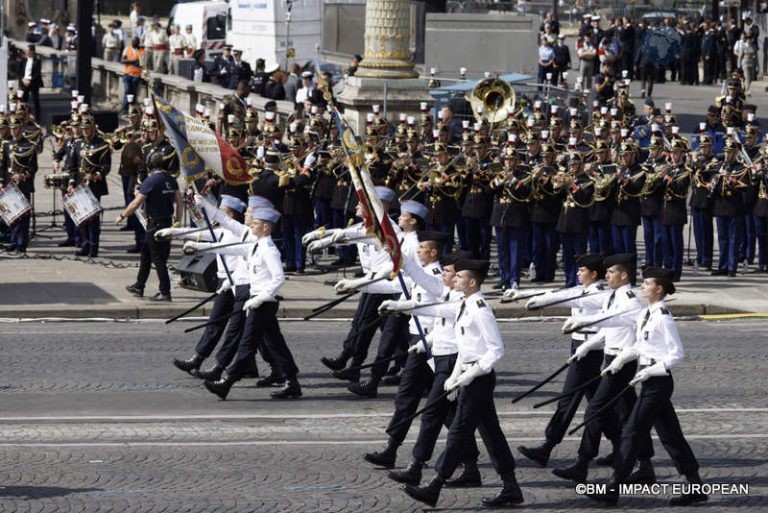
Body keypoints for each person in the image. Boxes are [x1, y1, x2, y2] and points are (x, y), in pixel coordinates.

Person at [401, 259, 525, 509]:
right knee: (491, 433)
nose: (454, 280)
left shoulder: (480, 308)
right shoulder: (463, 304)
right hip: (467, 374)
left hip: (479, 379)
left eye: (460, 277)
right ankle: (511, 486)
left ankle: (435, 484)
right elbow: (464, 348)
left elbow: (496, 350)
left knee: (458, 431)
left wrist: (469, 375)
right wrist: (454, 376)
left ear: (472, 282)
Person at [584, 267, 707, 507]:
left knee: (631, 432)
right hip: (649, 380)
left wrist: (652, 369)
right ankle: (695, 485)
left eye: (647, 282)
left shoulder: (663, 318)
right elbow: (640, 346)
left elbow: (677, 354)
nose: (642, 286)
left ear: (658, 289)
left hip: (658, 382)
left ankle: (613, 487)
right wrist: (618, 362)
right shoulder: (646, 314)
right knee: (671, 435)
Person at [556, 253, 656, 484]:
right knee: (629, 414)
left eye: (611, 272)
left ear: (623, 275)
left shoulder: (629, 300)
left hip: (621, 363)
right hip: (610, 359)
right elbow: (607, 329)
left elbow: (628, 334)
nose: (607, 276)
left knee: (595, 410)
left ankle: (583, 464)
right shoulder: (613, 296)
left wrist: (618, 360)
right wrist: (588, 345)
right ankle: (646, 465)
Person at [192, 196, 304, 400]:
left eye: (256, 223)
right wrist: (200, 247)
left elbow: (278, 278)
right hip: (257, 301)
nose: (251, 224)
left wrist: (262, 298)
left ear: (266, 228)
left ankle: (226, 382)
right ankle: (292, 382)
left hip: (262, 303)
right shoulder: (255, 245)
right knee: (275, 345)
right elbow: (230, 248)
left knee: (247, 344)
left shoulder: (269, 250)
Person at [517, 254, 609, 466]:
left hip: (589, 351)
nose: (577, 273)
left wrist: (542, 301)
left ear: (594, 275)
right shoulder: (582, 290)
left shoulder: (598, 295)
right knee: (599, 402)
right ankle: (624, 443)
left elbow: (567, 299)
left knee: (568, 399)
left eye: (582, 270)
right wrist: (520, 295)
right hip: (578, 346)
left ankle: (548, 445)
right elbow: (557, 293)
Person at [118, 152, 183, 301]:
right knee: (146, 254)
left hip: (154, 224)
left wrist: (122, 216)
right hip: (167, 222)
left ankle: (165, 292)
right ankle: (139, 286)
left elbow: (136, 203)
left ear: (150, 165)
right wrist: (177, 222)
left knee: (158, 258)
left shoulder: (150, 181)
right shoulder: (171, 180)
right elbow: (179, 202)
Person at [18, 45, 43, 119]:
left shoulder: (37, 61)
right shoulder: (23, 60)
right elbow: (19, 72)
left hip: (33, 82)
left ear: (32, 51)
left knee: (35, 100)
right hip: (24, 81)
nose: (26, 52)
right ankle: (24, 116)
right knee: (23, 100)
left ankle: (37, 117)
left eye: (27, 50)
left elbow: (37, 73)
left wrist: (30, 80)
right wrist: (23, 79)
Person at [121, 37, 143, 113]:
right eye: (133, 41)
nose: (134, 43)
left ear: (138, 43)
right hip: (127, 73)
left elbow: (141, 63)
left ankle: (133, 110)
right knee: (127, 91)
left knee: (133, 92)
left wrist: (129, 62)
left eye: (136, 42)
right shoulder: (127, 49)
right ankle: (124, 109)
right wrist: (133, 61)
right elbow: (123, 60)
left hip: (136, 75)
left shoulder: (141, 50)